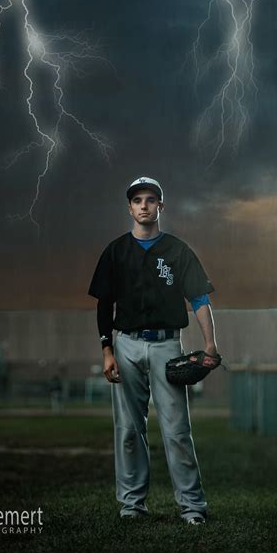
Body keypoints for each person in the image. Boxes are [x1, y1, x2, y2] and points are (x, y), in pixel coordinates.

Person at [88, 176, 219, 525]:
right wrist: (107, 350)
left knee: (177, 431)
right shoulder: (115, 251)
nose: (144, 205)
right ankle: (132, 505)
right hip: (126, 344)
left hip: (167, 345)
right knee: (129, 430)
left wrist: (209, 345)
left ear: (161, 205)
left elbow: (200, 299)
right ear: (129, 207)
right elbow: (104, 304)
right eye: (137, 200)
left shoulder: (177, 250)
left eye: (150, 199)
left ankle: (192, 508)